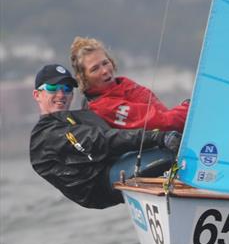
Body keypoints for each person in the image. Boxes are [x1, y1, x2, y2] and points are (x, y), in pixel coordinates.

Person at [30, 64, 181, 209]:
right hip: (101, 184)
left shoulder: (77, 116)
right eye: (52, 88)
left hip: (114, 163)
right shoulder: (45, 134)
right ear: (37, 95)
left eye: (67, 88)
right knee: (168, 155)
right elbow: (100, 139)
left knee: (176, 138)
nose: (61, 94)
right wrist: (159, 138)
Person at [70, 36, 189, 132]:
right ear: (83, 78)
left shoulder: (124, 84)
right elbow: (162, 123)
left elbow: (165, 115)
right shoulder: (103, 107)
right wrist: (191, 109)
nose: (105, 71)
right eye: (95, 69)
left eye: (105, 63)